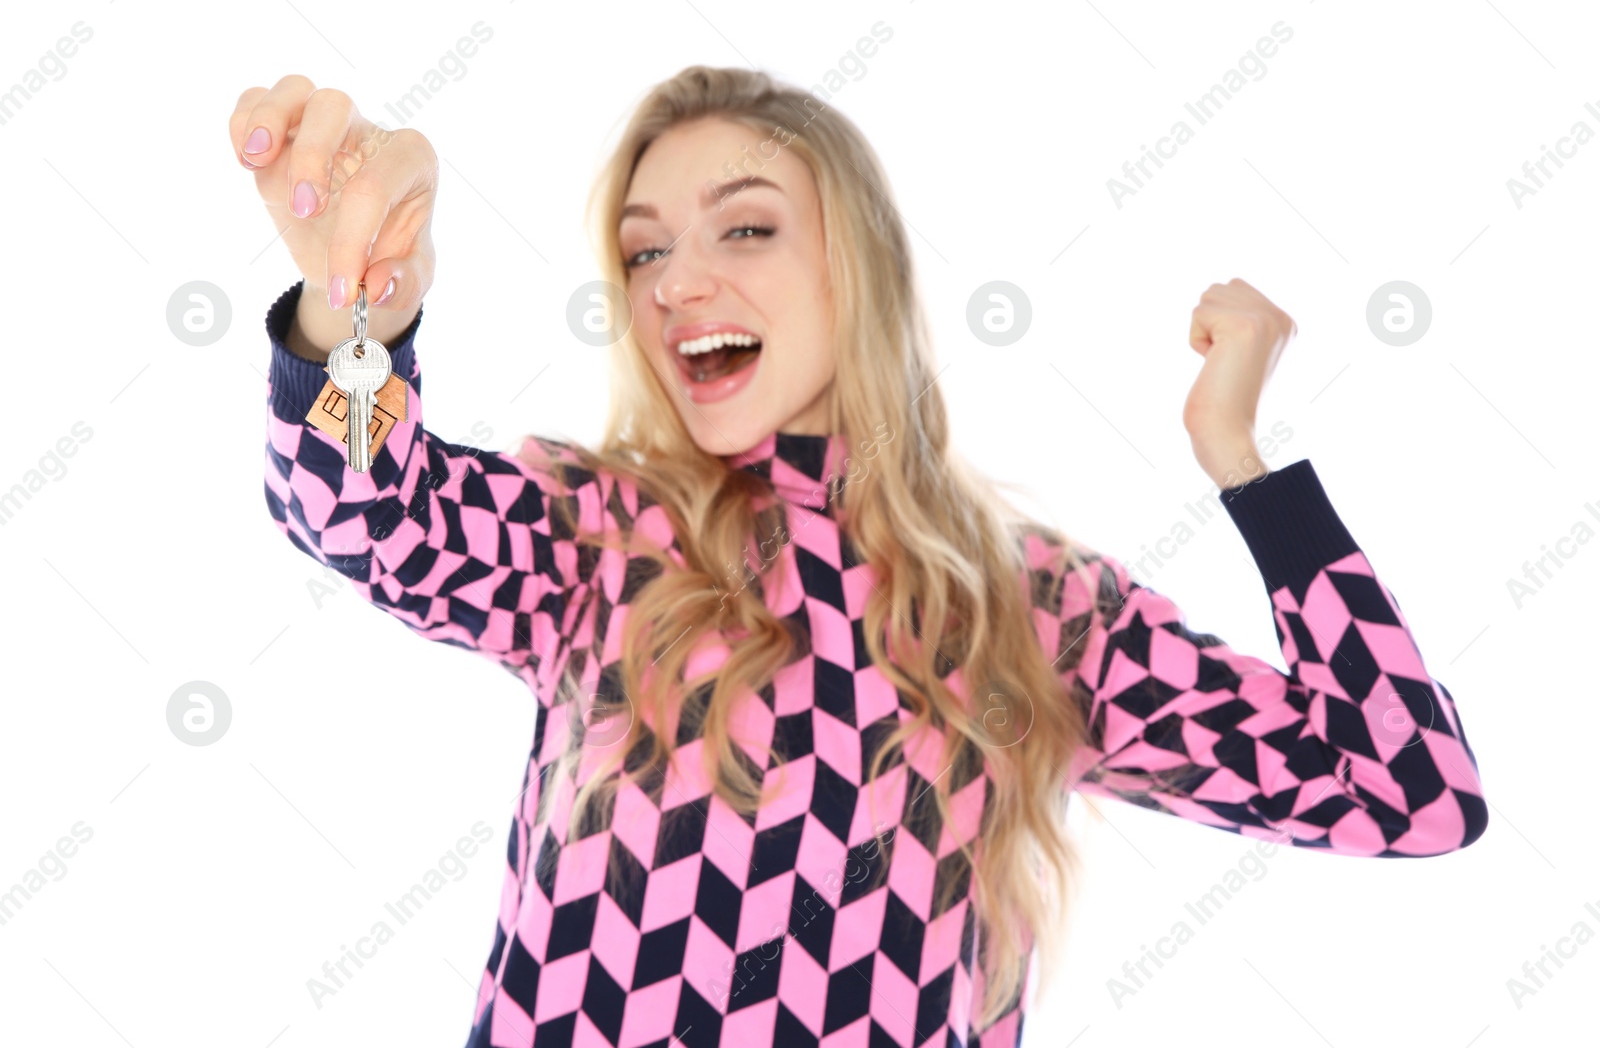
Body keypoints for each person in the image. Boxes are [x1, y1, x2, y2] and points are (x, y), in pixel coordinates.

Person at [230, 65, 1486, 1048]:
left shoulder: (1038, 614)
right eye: (647, 248)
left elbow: (1408, 787)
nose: (676, 284)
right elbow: (355, 508)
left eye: (747, 229)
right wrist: (362, 318)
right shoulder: (599, 535)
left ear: (858, 268)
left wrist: (1243, 461)